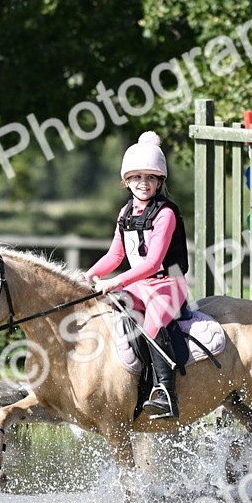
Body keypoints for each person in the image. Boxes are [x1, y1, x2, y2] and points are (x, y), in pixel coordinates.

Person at [85, 131, 191, 420]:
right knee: (109, 314)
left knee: (154, 323)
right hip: (140, 285)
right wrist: (89, 274)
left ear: (159, 181)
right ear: (126, 181)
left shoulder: (166, 213)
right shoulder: (125, 212)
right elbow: (115, 256)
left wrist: (116, 281)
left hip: (169, 283)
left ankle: (166, 395)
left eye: (150, 178)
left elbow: (155, 261)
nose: (143, 183)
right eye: (136, 178)